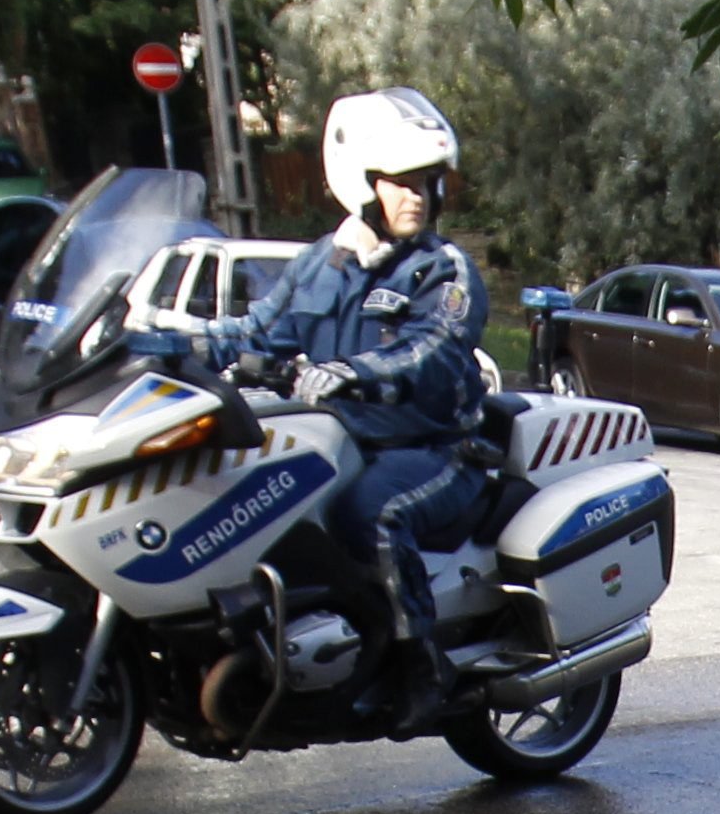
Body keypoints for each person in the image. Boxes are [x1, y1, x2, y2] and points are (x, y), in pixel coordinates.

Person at [145, 88, 490, 679]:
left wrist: (350, 373)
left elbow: (433, 350)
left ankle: (419, 666)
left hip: (434, 449)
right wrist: (162, 343)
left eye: (429, 181)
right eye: (402, 180)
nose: (419, 195)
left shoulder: (443, 268)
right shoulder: (320, 264)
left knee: (371, 515)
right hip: (347, 445)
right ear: (365, 184)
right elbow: (256, 332)